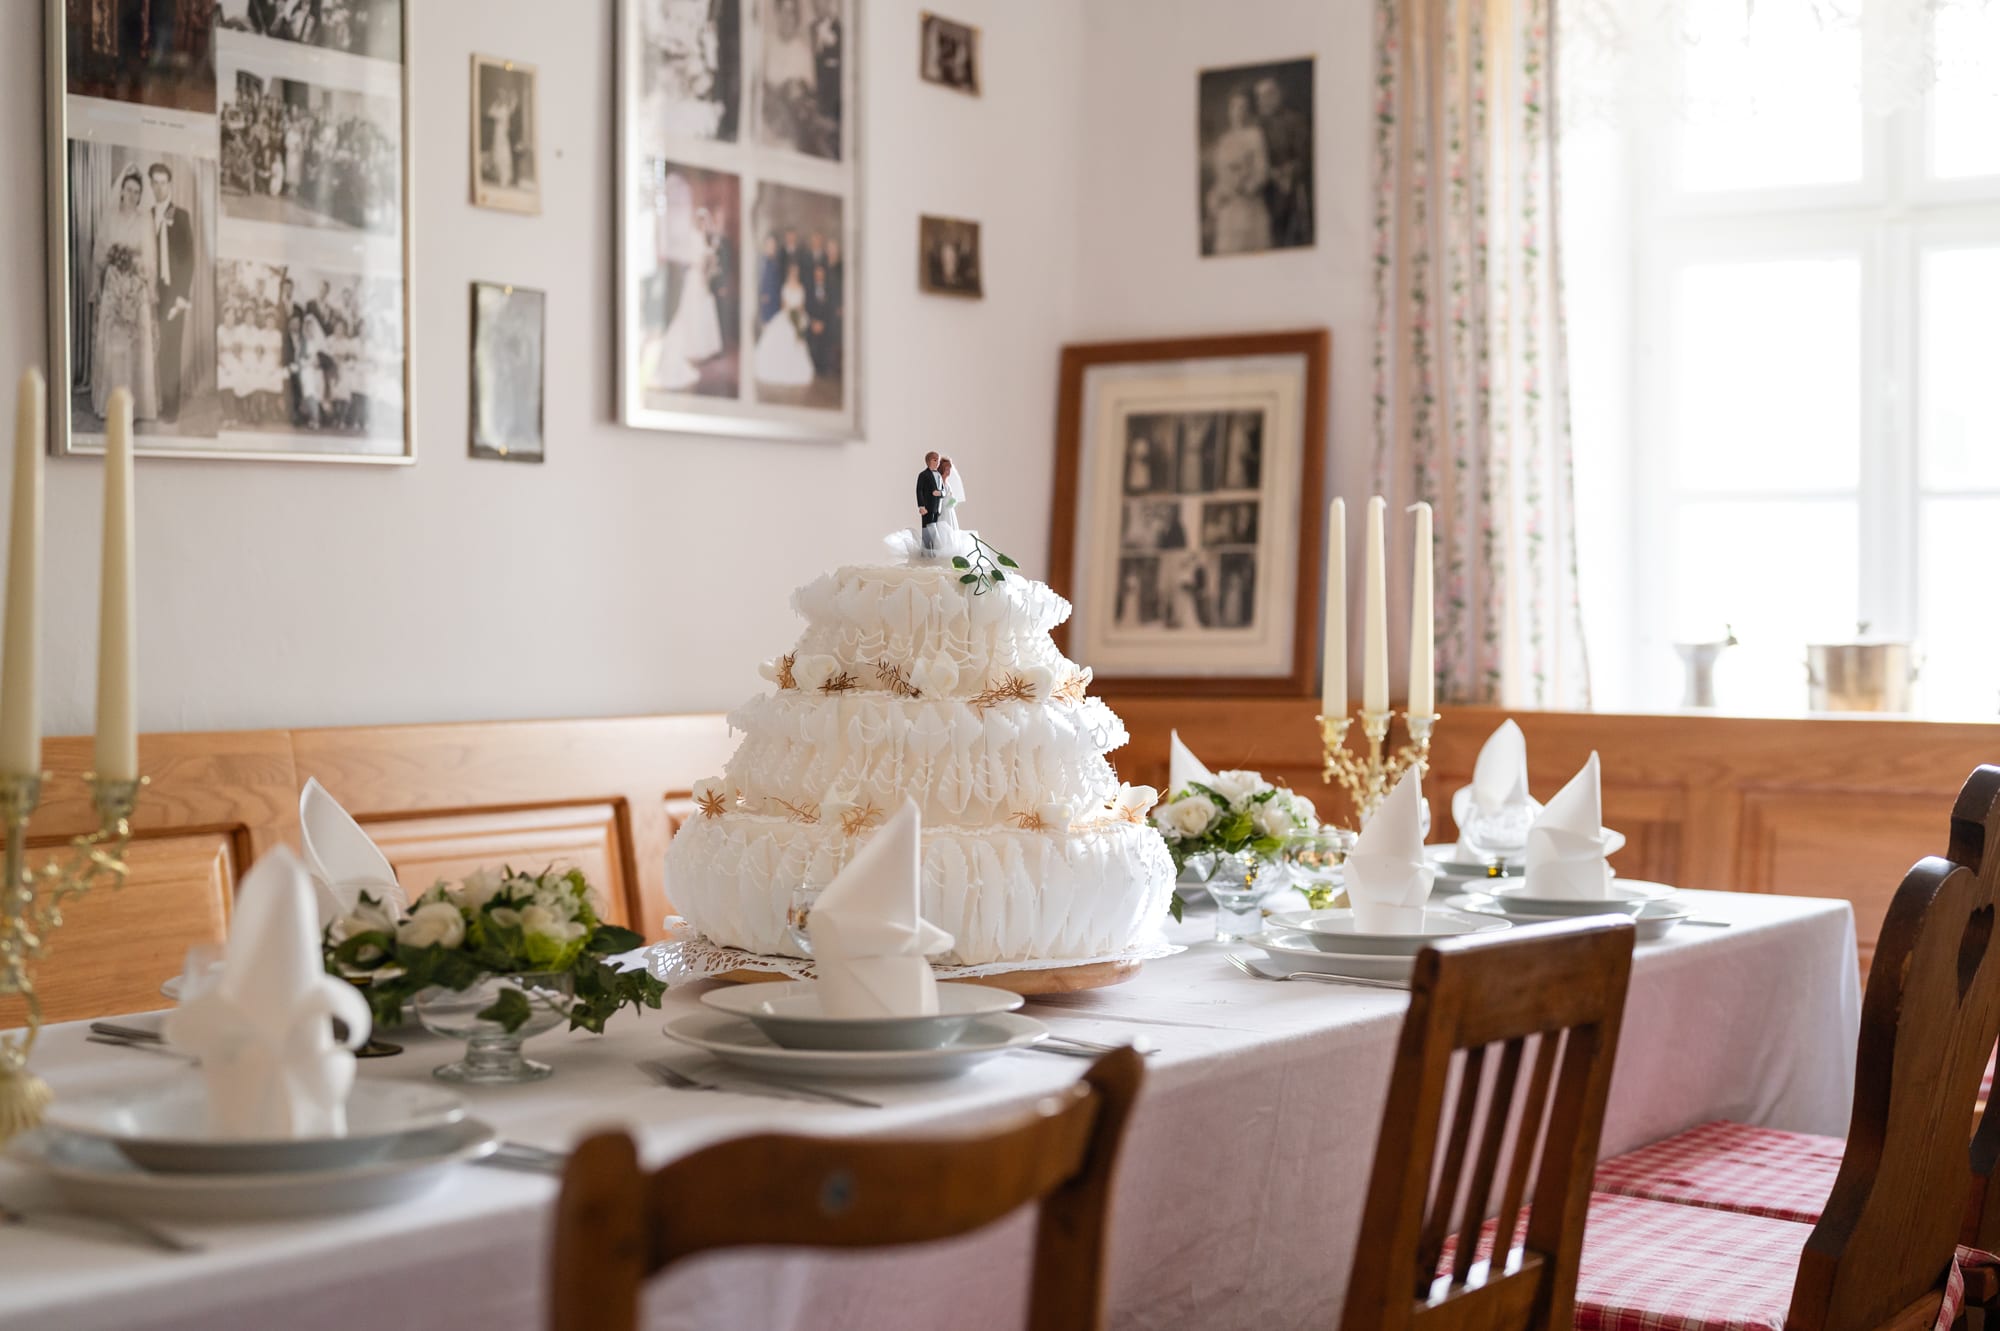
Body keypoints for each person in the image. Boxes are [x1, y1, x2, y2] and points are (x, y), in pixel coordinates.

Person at [90, 165, 160, 422]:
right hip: (113, 284)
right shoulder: (109, 217)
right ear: (121, 191)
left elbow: (149, 258)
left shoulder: (144, 220)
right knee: (114, 342)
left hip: (135, 286)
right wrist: (98, 283)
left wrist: (139, 272)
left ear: (141, 196)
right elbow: (100, 254)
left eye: (137, 192)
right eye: (128, 190)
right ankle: (111, 402)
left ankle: (138, 404)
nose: (132, 195)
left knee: (136, 341)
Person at [148, 162, 195, 423]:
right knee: (152, 347)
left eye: (163, 183)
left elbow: (189, 259)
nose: (159, 188)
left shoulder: (182, 216)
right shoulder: (147, 215)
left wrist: (182, 296)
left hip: (174, 293)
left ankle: (171, 408)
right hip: (152, 291)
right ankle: (151, 402)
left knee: (171, 349)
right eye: (155, 183)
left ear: (170, 185)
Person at [1207, 89, 1272, 255]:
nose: (1238, 112)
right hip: (1227, 207)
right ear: (1229, 110)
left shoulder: (1255, 135)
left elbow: (1262, 171)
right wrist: (1217, 194)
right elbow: (1220, 175)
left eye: (1243, 107)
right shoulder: (1224, 140)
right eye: (1234, 107)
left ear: (1249, 111)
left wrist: (1244, 186)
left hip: (1248, 205)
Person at [1256, 76, 1313, 249]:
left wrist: (1286, 173)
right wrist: (1268, 172)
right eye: (1260, 96)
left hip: (1291, 188)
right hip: (1263, 189)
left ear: (1278, 95)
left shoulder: (1295, 120)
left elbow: (1304, 157)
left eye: (1268, 95)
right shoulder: (1257, 125)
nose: (1264, 100)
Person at [752, 262, 815, 387]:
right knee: (782, 332)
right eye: (792, 272)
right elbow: (783, 304)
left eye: (796, 272)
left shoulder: (801, 287)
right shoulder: (785, 287)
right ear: (789, 273)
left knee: (798, 332)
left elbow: (802, 305)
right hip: (786, 314)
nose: (794, 274)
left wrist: (796, 313)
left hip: (797, 314)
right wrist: (790, 312)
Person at [485, 81, 517, 188]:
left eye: (502, 95)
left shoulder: (507, 108)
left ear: (505, 97)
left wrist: (513, 97)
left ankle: (505, 178)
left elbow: (512, 107)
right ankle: (499, 177)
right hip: (497, 133)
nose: (501, 97)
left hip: (503, 133)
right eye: (499, 95)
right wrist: (496, 103)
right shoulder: (497, 107)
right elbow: (490, 113)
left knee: (504, 154)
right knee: (496, 153)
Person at [915, 450, 946, 553]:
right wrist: (921, 506)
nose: (937, 462)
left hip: (937, 508)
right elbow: (919, 490)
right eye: (935, 460)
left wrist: (940, 493)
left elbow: (944, 491)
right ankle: (926, 552)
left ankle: (935, 552)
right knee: (927, 530)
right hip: (927, 508)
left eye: (938, 460)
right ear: (929, 461)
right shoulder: (923, 475)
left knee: (935, 530)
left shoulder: (939, 475)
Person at [938, 456, 967, 534]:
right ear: (942, 469)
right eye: (947, 469)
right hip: (942, 510)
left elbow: (951, 497)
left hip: (949, 510)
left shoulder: (948, 484)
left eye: (949, 469)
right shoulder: (939, 483)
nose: (949, 472)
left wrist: (952, 500)